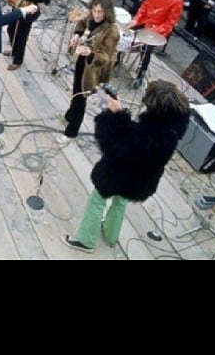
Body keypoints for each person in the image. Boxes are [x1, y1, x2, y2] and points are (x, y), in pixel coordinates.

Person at [61, 79, 190, 253]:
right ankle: (110, 235)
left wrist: (115, 116)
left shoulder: (145, 135)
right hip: (141, 179)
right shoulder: (172, 129)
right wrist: (122, 116)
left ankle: (86, 240)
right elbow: (139, 137)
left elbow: (113, 144)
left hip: (119, 173)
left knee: (97, 201)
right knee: (120, 203)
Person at [64, 0, 120, 138]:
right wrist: (77, 34)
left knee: (81, 97)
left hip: (93, 68)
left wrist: (89, 53)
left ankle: (71, 131)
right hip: (82, 61)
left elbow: (105, 58)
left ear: (107, 12)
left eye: (100, 12)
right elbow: (82, 22)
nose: (96, 15)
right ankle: (70, 115)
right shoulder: (91, 17)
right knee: (76, 91)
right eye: (94, 10)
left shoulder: (112, 31)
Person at [126, 0, 184, 89]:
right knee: (124, 32)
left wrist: (153, 32)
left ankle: (140, 76)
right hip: (145, 22)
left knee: (146, 49)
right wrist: (136, 20)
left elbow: (170, 23)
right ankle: (117, 58)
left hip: (157, 30)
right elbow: (145, 6)